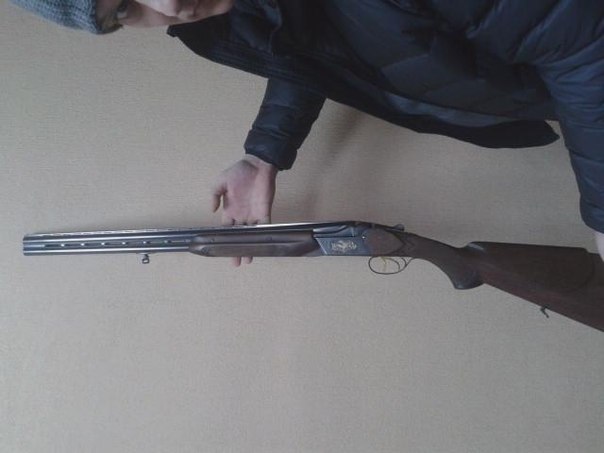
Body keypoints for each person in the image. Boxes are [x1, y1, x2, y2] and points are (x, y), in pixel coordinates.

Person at [11, 0, 604, 266]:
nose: (168, 5)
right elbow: (312, 50)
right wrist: (263, 154)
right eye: (121, 9)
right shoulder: (220, 23)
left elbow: (584, 44)